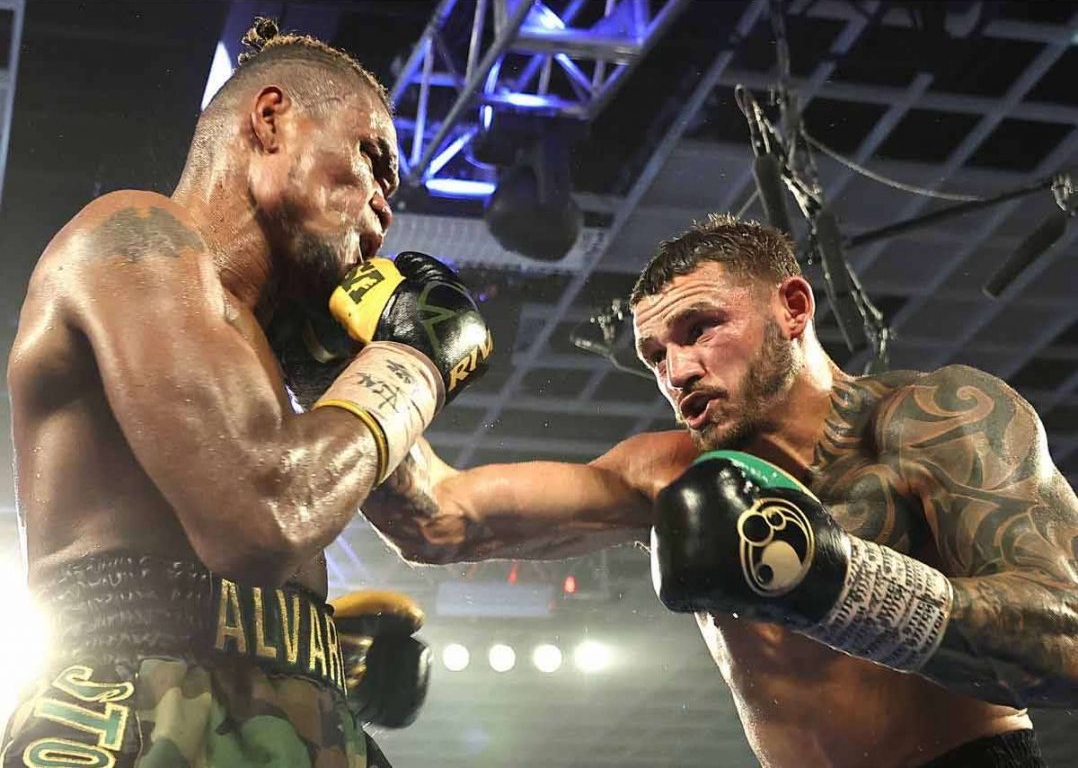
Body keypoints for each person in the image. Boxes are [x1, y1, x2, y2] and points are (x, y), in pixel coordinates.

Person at [362, 213, 1078, 767]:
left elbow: (1068, 638)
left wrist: (837, 582)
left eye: (699, 328)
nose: (677, 370)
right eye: (655, 355)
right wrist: (370, 361)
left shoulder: (939, 421)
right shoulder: (661, 473)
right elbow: (437, 519)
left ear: (792, 308)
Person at [2, 18, 491, 768]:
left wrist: (656, 486)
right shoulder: (134, 238)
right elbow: (262, 514)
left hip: (306, 711)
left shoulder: (281, 352)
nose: (384, 206)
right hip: (137, 701)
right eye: (373, 160)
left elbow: (441, 518)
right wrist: (417, 360)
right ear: (271, 120)